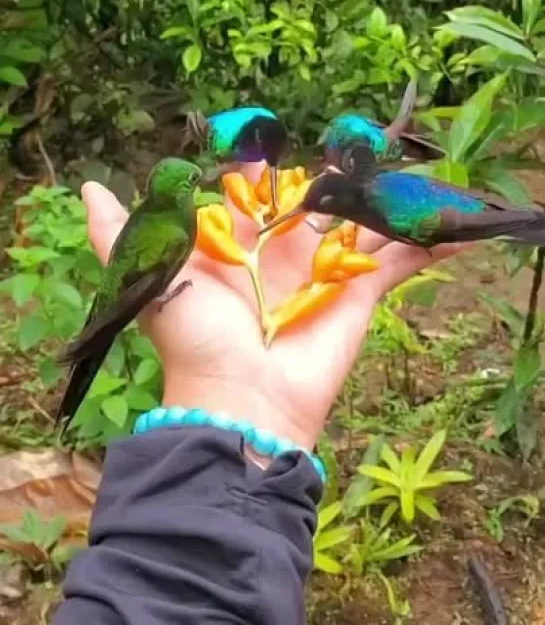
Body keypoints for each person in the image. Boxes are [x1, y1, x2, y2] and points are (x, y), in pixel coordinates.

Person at [53, 165, 461, 625]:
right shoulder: (167, 229)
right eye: (191, 184)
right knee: (96, 342)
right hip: (139, 288)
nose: (198, 185)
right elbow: (138, 287)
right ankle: (77, 378)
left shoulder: (169, 221)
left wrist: (235, 393)